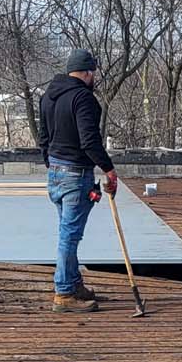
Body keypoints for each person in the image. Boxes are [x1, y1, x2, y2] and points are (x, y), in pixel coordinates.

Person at [37, 47, 121, 313]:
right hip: (75, 174)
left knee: (67, 233)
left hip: (56, 171)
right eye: (93, 73)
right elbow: (89, 141)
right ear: (87, 73)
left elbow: (43, 137)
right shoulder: (83, 98)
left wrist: (51, 163)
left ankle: (73, 284)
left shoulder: (48, 97)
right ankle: (64, 293)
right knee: (69, 237)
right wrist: (109, 169)